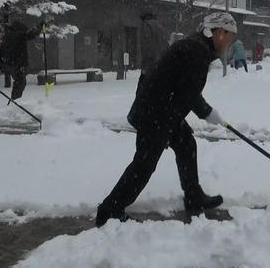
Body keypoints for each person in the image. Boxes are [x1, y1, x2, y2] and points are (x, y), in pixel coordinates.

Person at [95, 12, 237, 227]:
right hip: (156, 113)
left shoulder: (196, 48)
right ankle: (110, 210)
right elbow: (189, 92)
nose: (230, 43)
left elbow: (184, 88)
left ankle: (193, 196)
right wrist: (208, 113)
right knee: (144, 163)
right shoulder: (196, 52)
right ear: (218, 33)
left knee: (186, 143)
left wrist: (206, 111)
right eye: (229, 37)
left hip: (163, 109)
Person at [0, 21, 40, 99]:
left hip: (11, 64)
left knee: (19, 81)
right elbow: (30, 35)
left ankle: (15, 98)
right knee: (20, 81)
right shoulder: (18, 35)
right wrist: (39, 28)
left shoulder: (7, 36)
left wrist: (2, 64)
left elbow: (1, 52)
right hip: (17, 64)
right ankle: (15, 99)